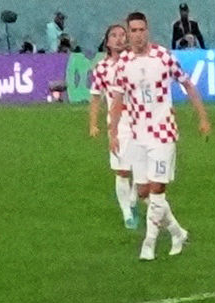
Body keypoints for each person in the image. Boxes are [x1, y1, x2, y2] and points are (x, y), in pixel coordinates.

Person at [107, 11, 211, 261]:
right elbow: (117, 100)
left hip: (163, 132)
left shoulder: (163, 56)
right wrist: (113, 133)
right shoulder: (123, 64)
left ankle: (149, 243)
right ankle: (177, 232)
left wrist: (203, 117)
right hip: (137, 135)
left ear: (148, 30)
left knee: (157, 191)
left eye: (142, 30)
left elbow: (187, 84)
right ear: (129, 33)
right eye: (133, 31)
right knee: (142, 191)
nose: (138, 35)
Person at [89, 23, 139, 230]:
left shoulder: (136, 63)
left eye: (122, 35)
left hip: (141, 120)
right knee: (122, 170)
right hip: (118, 124)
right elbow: (95, 98)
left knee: (142, 167)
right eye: (114, 35)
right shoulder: (102, 67)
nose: (119, 39)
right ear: (107, 42)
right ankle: (127, 213)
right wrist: (93, 124)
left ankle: (134, 200)